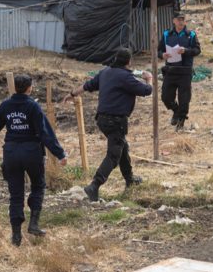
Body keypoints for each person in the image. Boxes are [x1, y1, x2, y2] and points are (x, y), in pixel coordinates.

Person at [0, 74, 68, 247]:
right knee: (38, 186)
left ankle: (16, 236)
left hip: (11, 153)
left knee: (16, 194)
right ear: (29, 88)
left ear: (14, 88)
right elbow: (44, 132)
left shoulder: (6, 106)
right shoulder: (32, 106)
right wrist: (60, 153)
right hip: (31, 151)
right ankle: (33, 224)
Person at [65, 48, 153, 202]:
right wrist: (149, 78)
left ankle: (130, 179)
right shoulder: (126, 77)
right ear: (128, 62)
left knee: (122, 147)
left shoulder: (105, 72)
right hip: (116, 121)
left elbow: (87, 86)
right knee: (113, 155)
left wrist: (72, 94)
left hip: (102, 120)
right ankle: (94, 185)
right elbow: (146, 90)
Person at [158, 12, 201, 131]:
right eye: (178, 19)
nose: (181, 22)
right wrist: (162, 55)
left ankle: (181, 121)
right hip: (170, 70)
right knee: (166, 97)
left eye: (183, 19)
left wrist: (186, 51)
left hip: (185, 71)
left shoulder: (191, 35)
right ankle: (176, 111)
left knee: (184, 99)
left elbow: (197, 50)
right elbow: (159, 50)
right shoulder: (166, 34)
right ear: (174, 21)